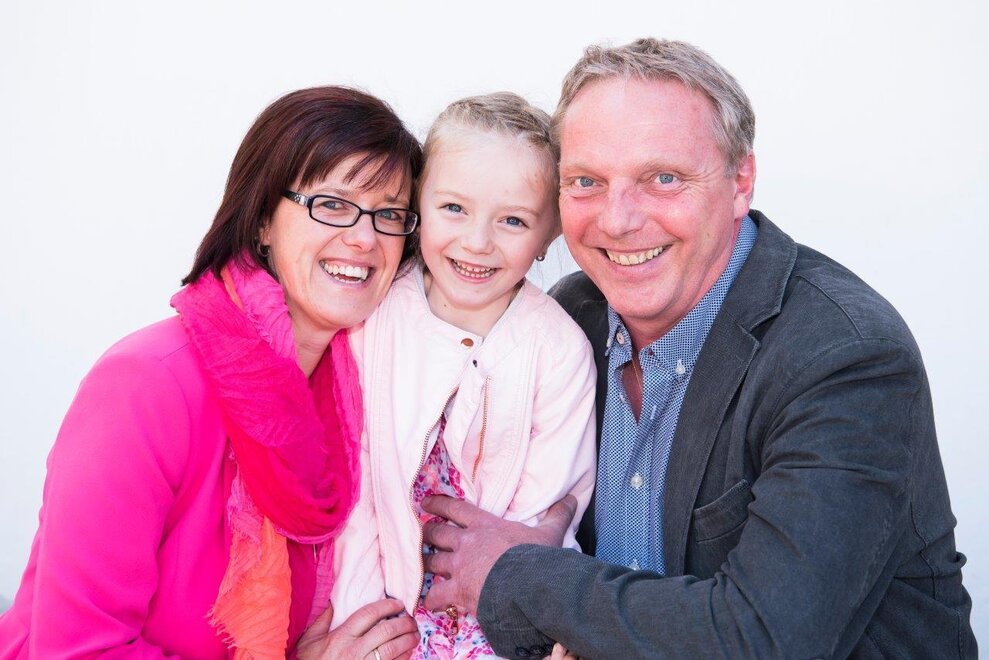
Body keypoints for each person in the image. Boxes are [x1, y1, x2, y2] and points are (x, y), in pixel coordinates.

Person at [418, 39, 978, 658]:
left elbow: (765, 640)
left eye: (663, 179)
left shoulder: (844, 356)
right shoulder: (570, 319)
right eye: (586, 181)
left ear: (741, 182)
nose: (618, 220)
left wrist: (516, 574)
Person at [0, 86, 424, 658]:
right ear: (263, 220)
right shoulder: (146, 385)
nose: (365, 237)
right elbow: (77, 650)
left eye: (389, 214)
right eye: (332, 204)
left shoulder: (356, 405)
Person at [329, 93, 597, 658]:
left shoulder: (558, 349)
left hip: (497, 604)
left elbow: (545, 515)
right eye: (454, 208)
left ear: (551, 232)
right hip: (378, 596)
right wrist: (359, 617)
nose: (477, 242)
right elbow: (355, 483)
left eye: (513, 220)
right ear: (418, 202)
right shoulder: (376, 315)